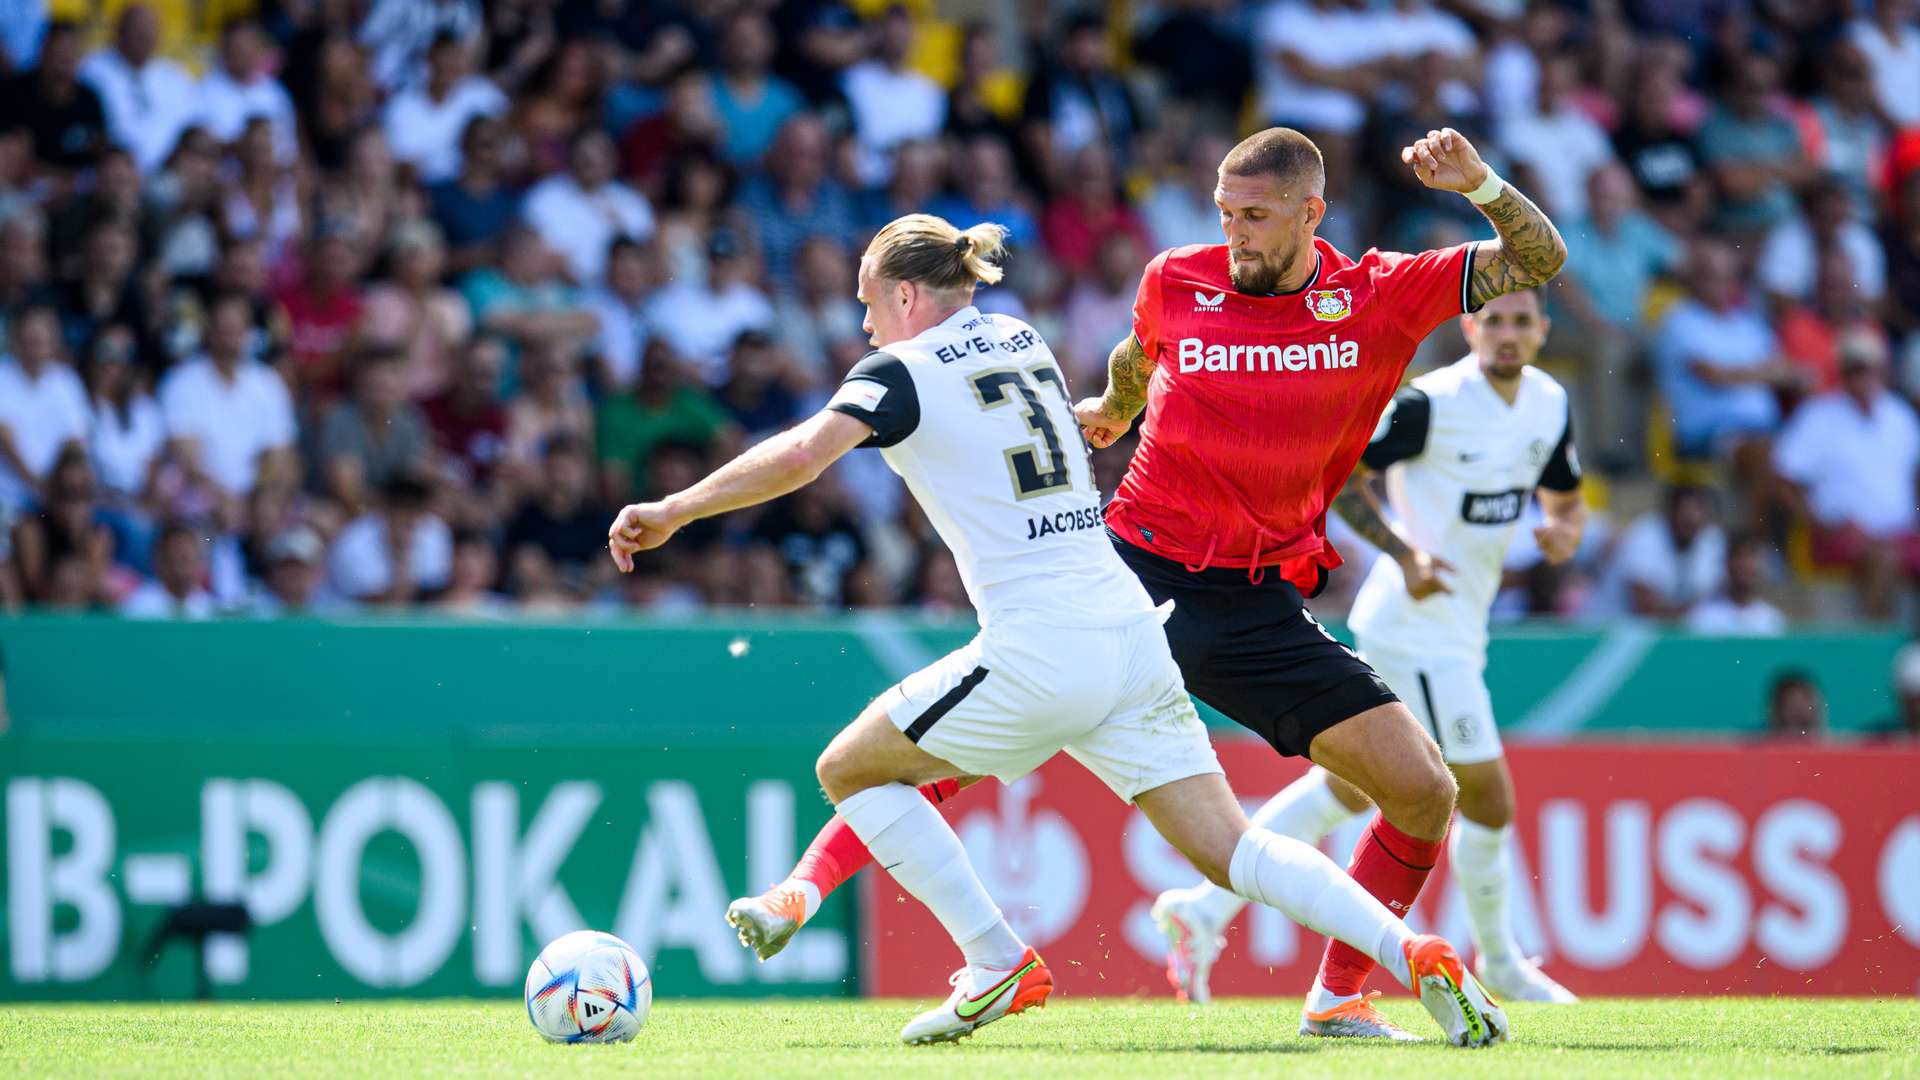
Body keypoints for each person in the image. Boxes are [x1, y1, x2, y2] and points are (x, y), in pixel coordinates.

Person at [613, 213, 1505, 1049]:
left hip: (1042, 643)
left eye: (868, 300)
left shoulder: (899, 372)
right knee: (1231, 850)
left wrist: (676, 507)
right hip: (1129, 629)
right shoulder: (1021, 336)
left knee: (848, 769)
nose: (865, 320)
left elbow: (804, 454)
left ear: (909, 298)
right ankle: (1407, 953)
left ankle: (997, 961)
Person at [1068, 125, 1564, 1038]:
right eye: (1225, 214)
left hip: (1257, 600)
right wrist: (1113, 408)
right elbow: (1143, 351)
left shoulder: (1379, 292)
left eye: (1255, 216)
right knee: (983, 734)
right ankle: (941, 932)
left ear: (1310, 214)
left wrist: (1482, 183)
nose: (1236, 235)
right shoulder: (1177, 276)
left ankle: (1338, 998)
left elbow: (1540, 256)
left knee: (1424, 791)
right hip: (1135, 575)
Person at [1149, 286, 1585, 1006]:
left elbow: (1564, 493)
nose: (1508, 335)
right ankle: (1502, 961)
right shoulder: (1429, 404)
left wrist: (1565, 529)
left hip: (1459, 627)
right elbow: (1343, 474)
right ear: (1471, 327)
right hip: (1413, 625)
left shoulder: (1548, 401)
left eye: (1523, 322)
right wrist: (1405, 551)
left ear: (1542, 329)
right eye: (1495, 320)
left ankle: (1202, 909)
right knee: (1486, 795)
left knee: (1348, 789)